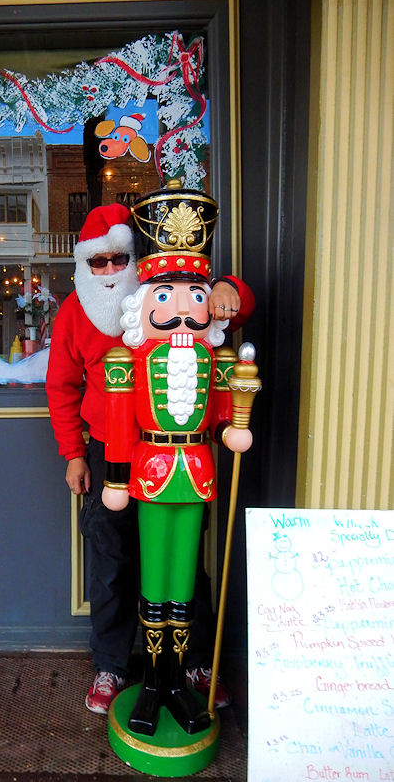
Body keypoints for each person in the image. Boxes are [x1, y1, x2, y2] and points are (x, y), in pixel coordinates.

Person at [46, 202, 254, 715]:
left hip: (178, 449)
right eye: (98, 261)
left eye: (119, 259)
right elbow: (62, 386)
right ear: (84, 264)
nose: (110, 270)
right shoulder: (74, 312)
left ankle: (195, 662)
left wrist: (227, 286)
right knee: (111, 560)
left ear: (135, 261)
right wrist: (74, 453)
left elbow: (232, 305)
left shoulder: (158, 291)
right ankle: (112, 665)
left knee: (185, 560)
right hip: (110, 450)